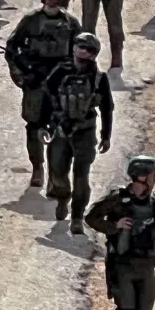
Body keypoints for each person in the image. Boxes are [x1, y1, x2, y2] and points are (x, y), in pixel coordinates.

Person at [85, 155, 155, 310]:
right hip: (122, 267)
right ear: (142, 177)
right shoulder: (117, 199)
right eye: (152, 174)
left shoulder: (154, 203)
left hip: (146, 267)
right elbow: (91, 218)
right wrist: (115, 226)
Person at [5, 0, 83, 187]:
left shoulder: (71, 24)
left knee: (60, 128)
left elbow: (82, 54)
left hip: (60, 84)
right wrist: (22, 76)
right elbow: (11, 49)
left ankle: (55, 174)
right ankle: (37, 167)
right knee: (34, 126)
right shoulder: (31, 21)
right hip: (36, 82)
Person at [38, 32, 114, 233]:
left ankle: (77, 217)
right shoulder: (60, 72)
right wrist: (43, 125)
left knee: (81, 176)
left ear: (94, 54)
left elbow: (107, 107)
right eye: (79, 46)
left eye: (87, 49)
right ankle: (63, 198)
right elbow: (47, 97)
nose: (82, 51)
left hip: (85, 132)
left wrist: (106, 135)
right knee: (58, 173)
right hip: (61, 130)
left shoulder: (98, 78)